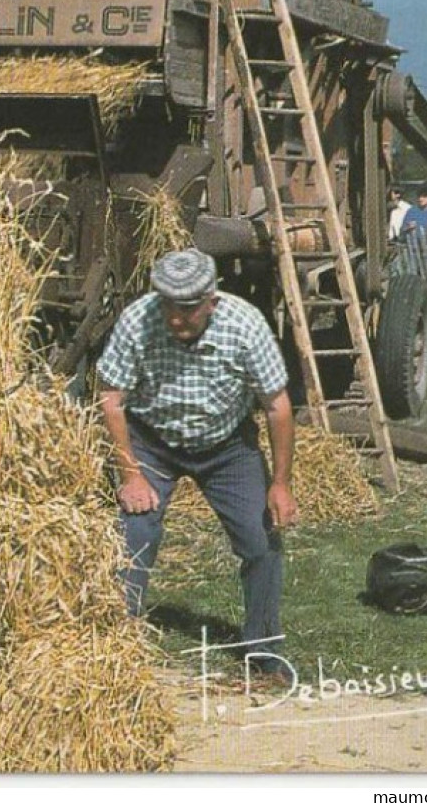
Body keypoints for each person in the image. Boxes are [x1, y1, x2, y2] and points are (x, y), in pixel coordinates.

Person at [96, 248, 296, 681]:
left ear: (212, 301)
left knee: (262, 541)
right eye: (167, 305)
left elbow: (277, 406)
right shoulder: (137, 321)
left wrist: (280, 484)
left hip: (227, 446)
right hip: (153, 442)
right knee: (135, 531)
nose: (175, 318)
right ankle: (116, 649)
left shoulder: (245, 325)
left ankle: (262, 650)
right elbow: (110, 398)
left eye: (187, 309)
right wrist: (130, 473)